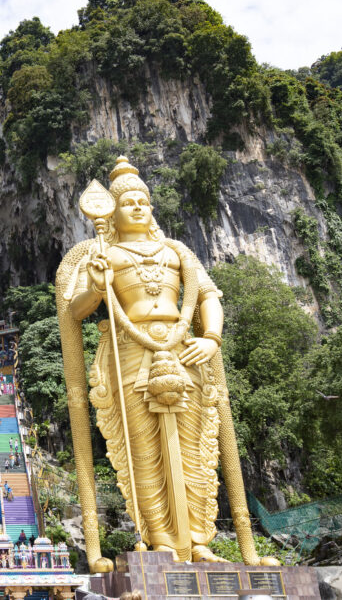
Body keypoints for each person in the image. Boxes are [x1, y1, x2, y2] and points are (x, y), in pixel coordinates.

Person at [59, 156, 274, 567]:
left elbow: (207, 296)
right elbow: (75, 311)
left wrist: (211, 338)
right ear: (114, 213)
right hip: (130, 352)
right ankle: (160, 540)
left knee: (195, 447)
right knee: (143, 449)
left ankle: (199, 541)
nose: (138, 206)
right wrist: (96, 285)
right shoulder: (103, 255)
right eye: (128, 202)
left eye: (143, 200)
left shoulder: (177, 251)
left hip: (184, 349)